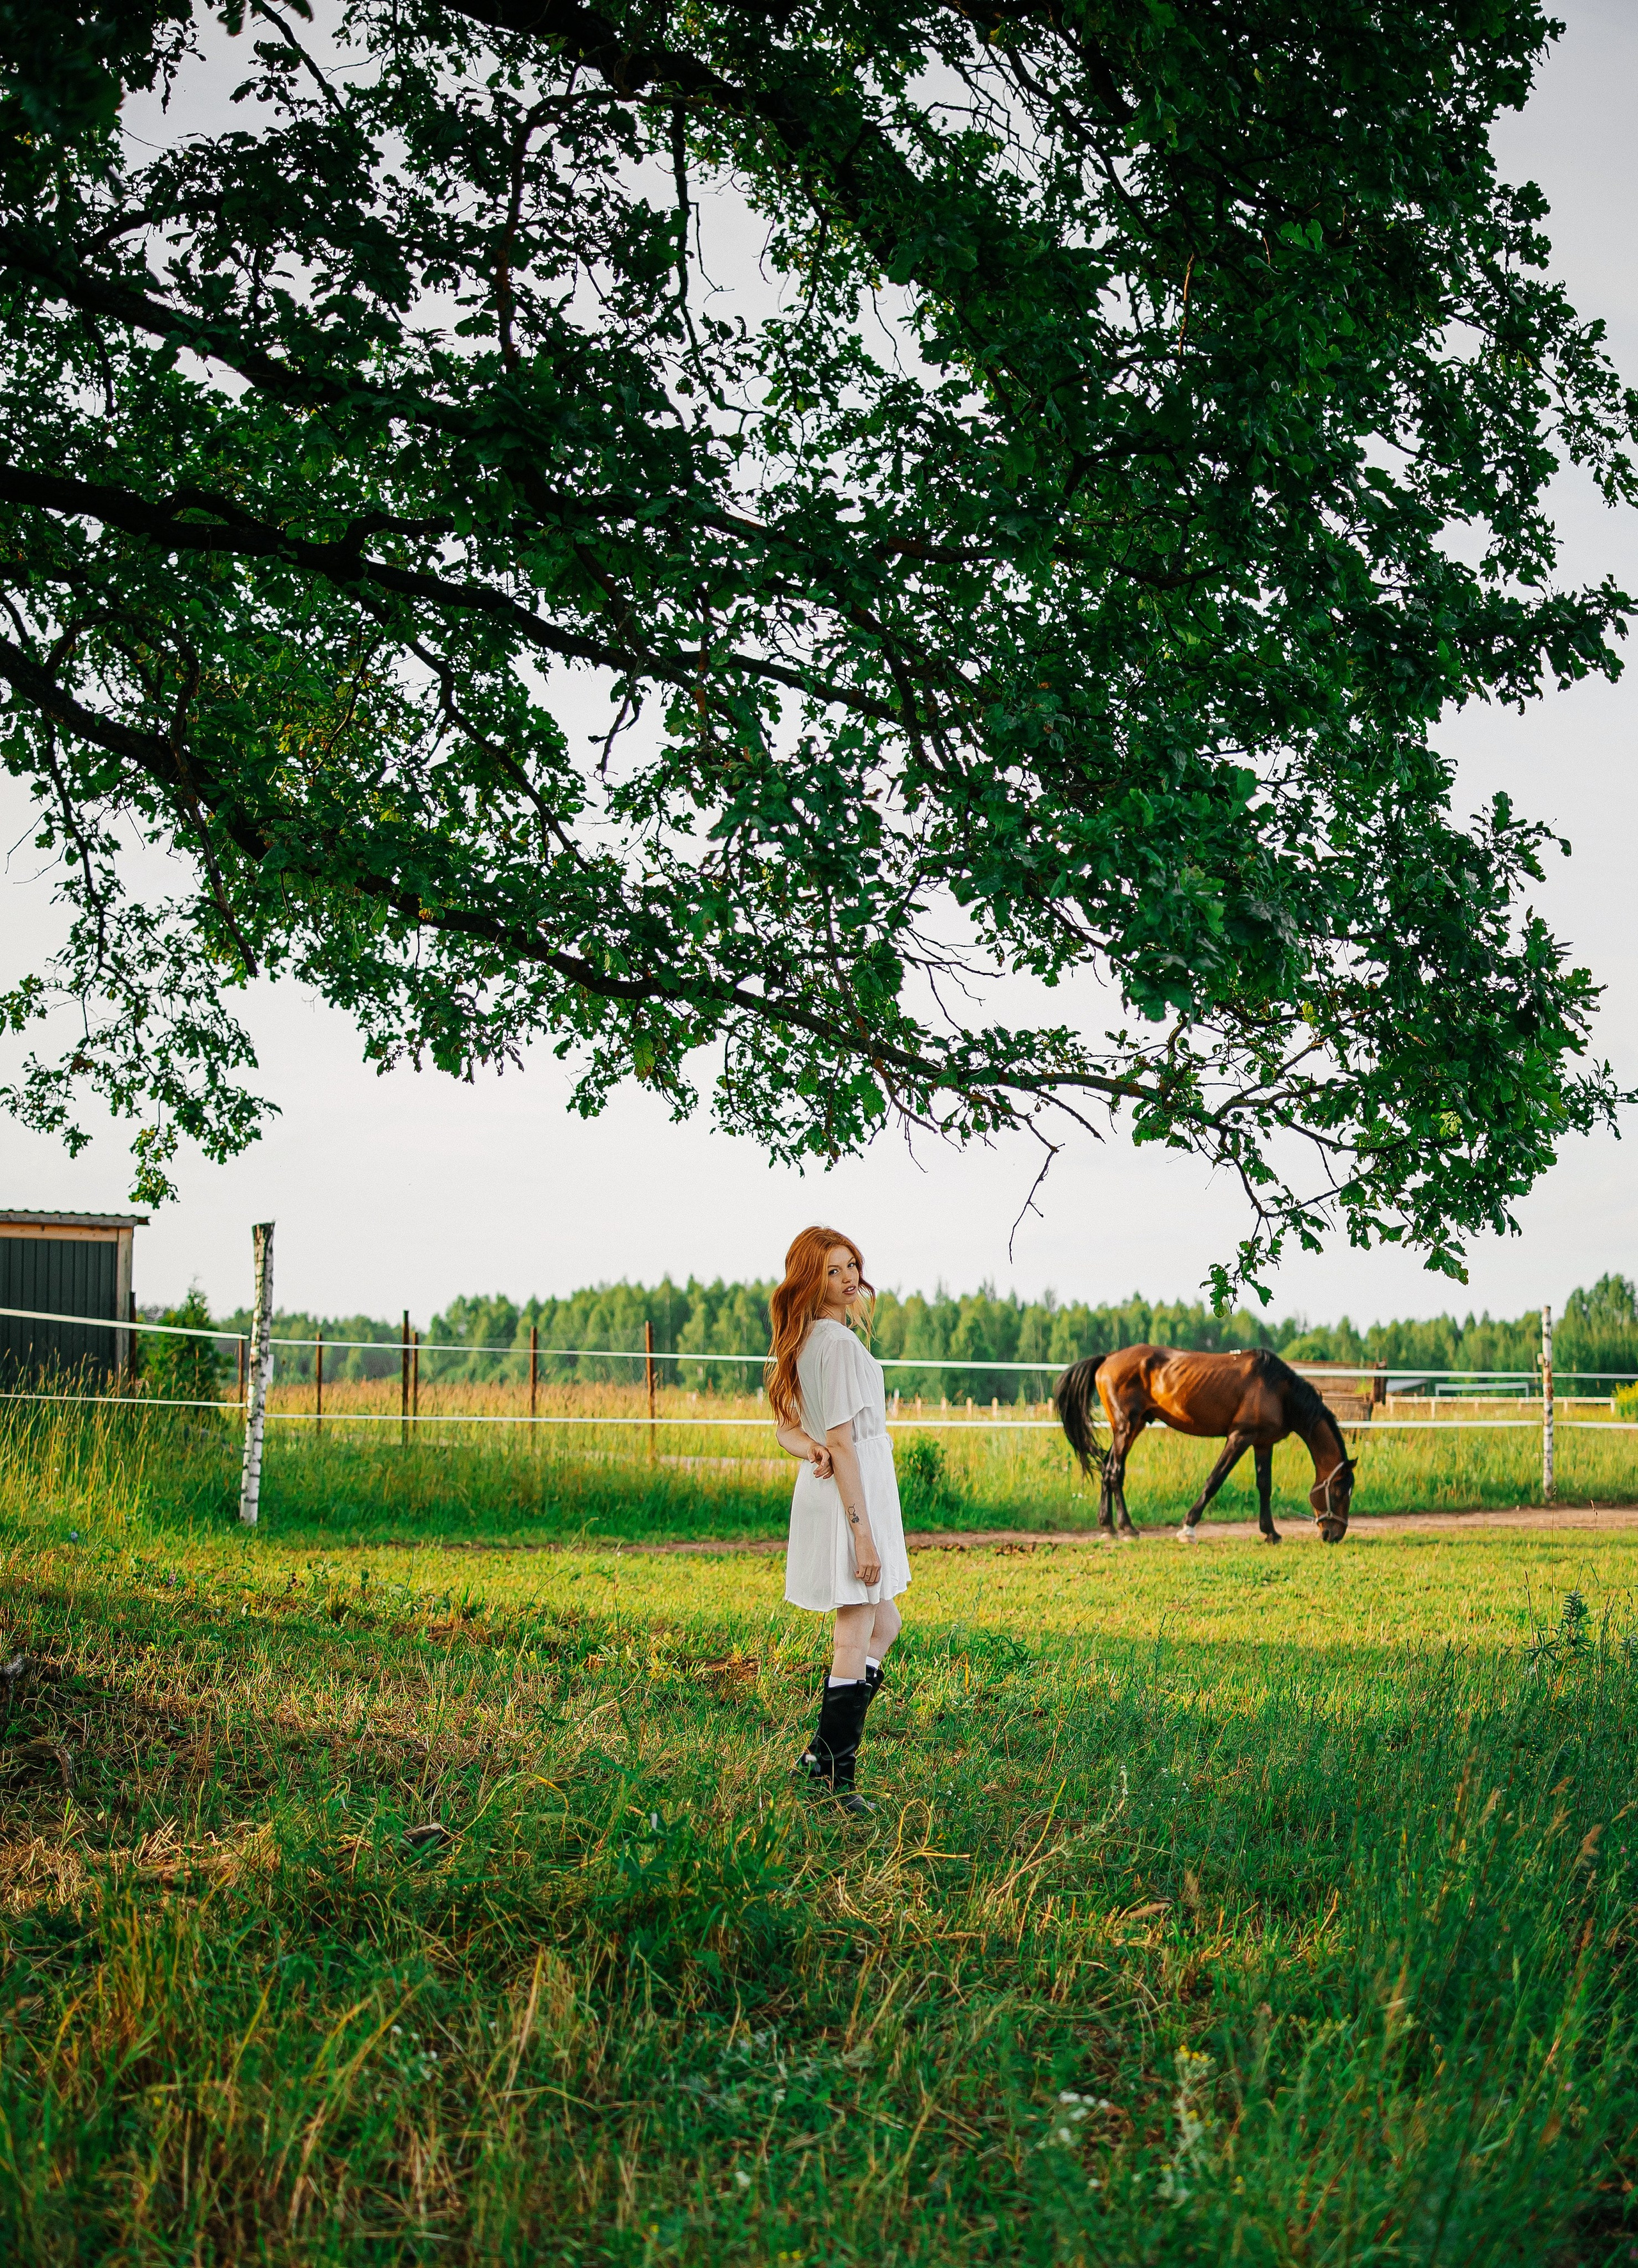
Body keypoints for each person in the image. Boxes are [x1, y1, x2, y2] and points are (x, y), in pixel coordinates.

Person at [767, 1226, 910, 1815]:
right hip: (853, 1499)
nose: (849, 1277)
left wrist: (810, 1450)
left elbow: (788, 1429)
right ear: (810, 1279)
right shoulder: (836, 1345)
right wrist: (862, 1532)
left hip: (842, 1489)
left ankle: (820, 1755)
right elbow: (844, 1444)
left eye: (851, 1264)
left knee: (886, 1624)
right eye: (833, 1270)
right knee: (855, 1630)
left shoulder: (801, 1341)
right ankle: (836, 1780)